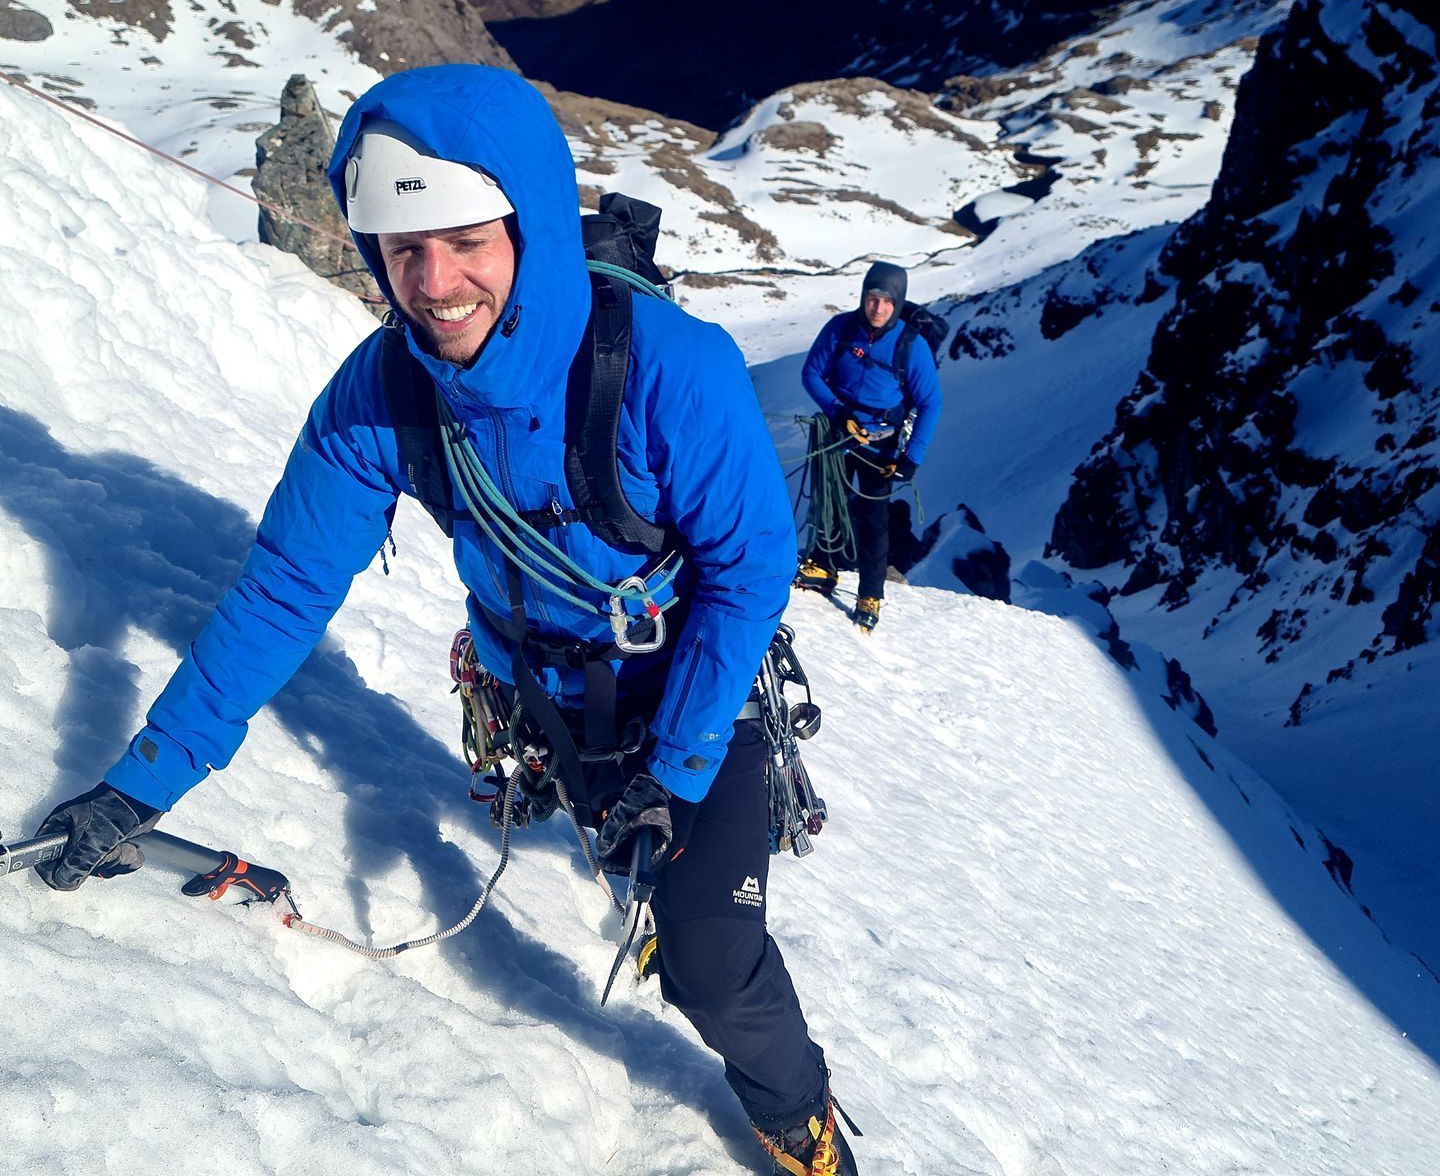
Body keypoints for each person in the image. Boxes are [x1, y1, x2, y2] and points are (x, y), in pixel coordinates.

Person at [31, 65, 857, 1176]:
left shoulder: (672, 371)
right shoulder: (382, 393)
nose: (434, 282)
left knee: (710, 959)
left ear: (527, 222)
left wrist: (683, 763)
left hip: (695, 682)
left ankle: (799, 1119)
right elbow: (284, 589)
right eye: (402, 250)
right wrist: (142, 784)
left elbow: (751, 571)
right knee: (627, 861)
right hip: (543, 699)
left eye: (466, 239)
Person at [795, 262, 942, 630]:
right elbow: (811, 372)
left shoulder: (912, 346)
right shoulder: (841, 329)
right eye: (873, 299)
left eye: (887, 302)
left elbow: (930, 403)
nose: (878, 308)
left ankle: (871, 593)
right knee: (828, 500)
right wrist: (836, 409)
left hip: (881, 444)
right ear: (863, 297)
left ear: (898, 304)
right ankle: (823, 565)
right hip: (838, 431)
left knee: (874, 519)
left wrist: (912, 458)